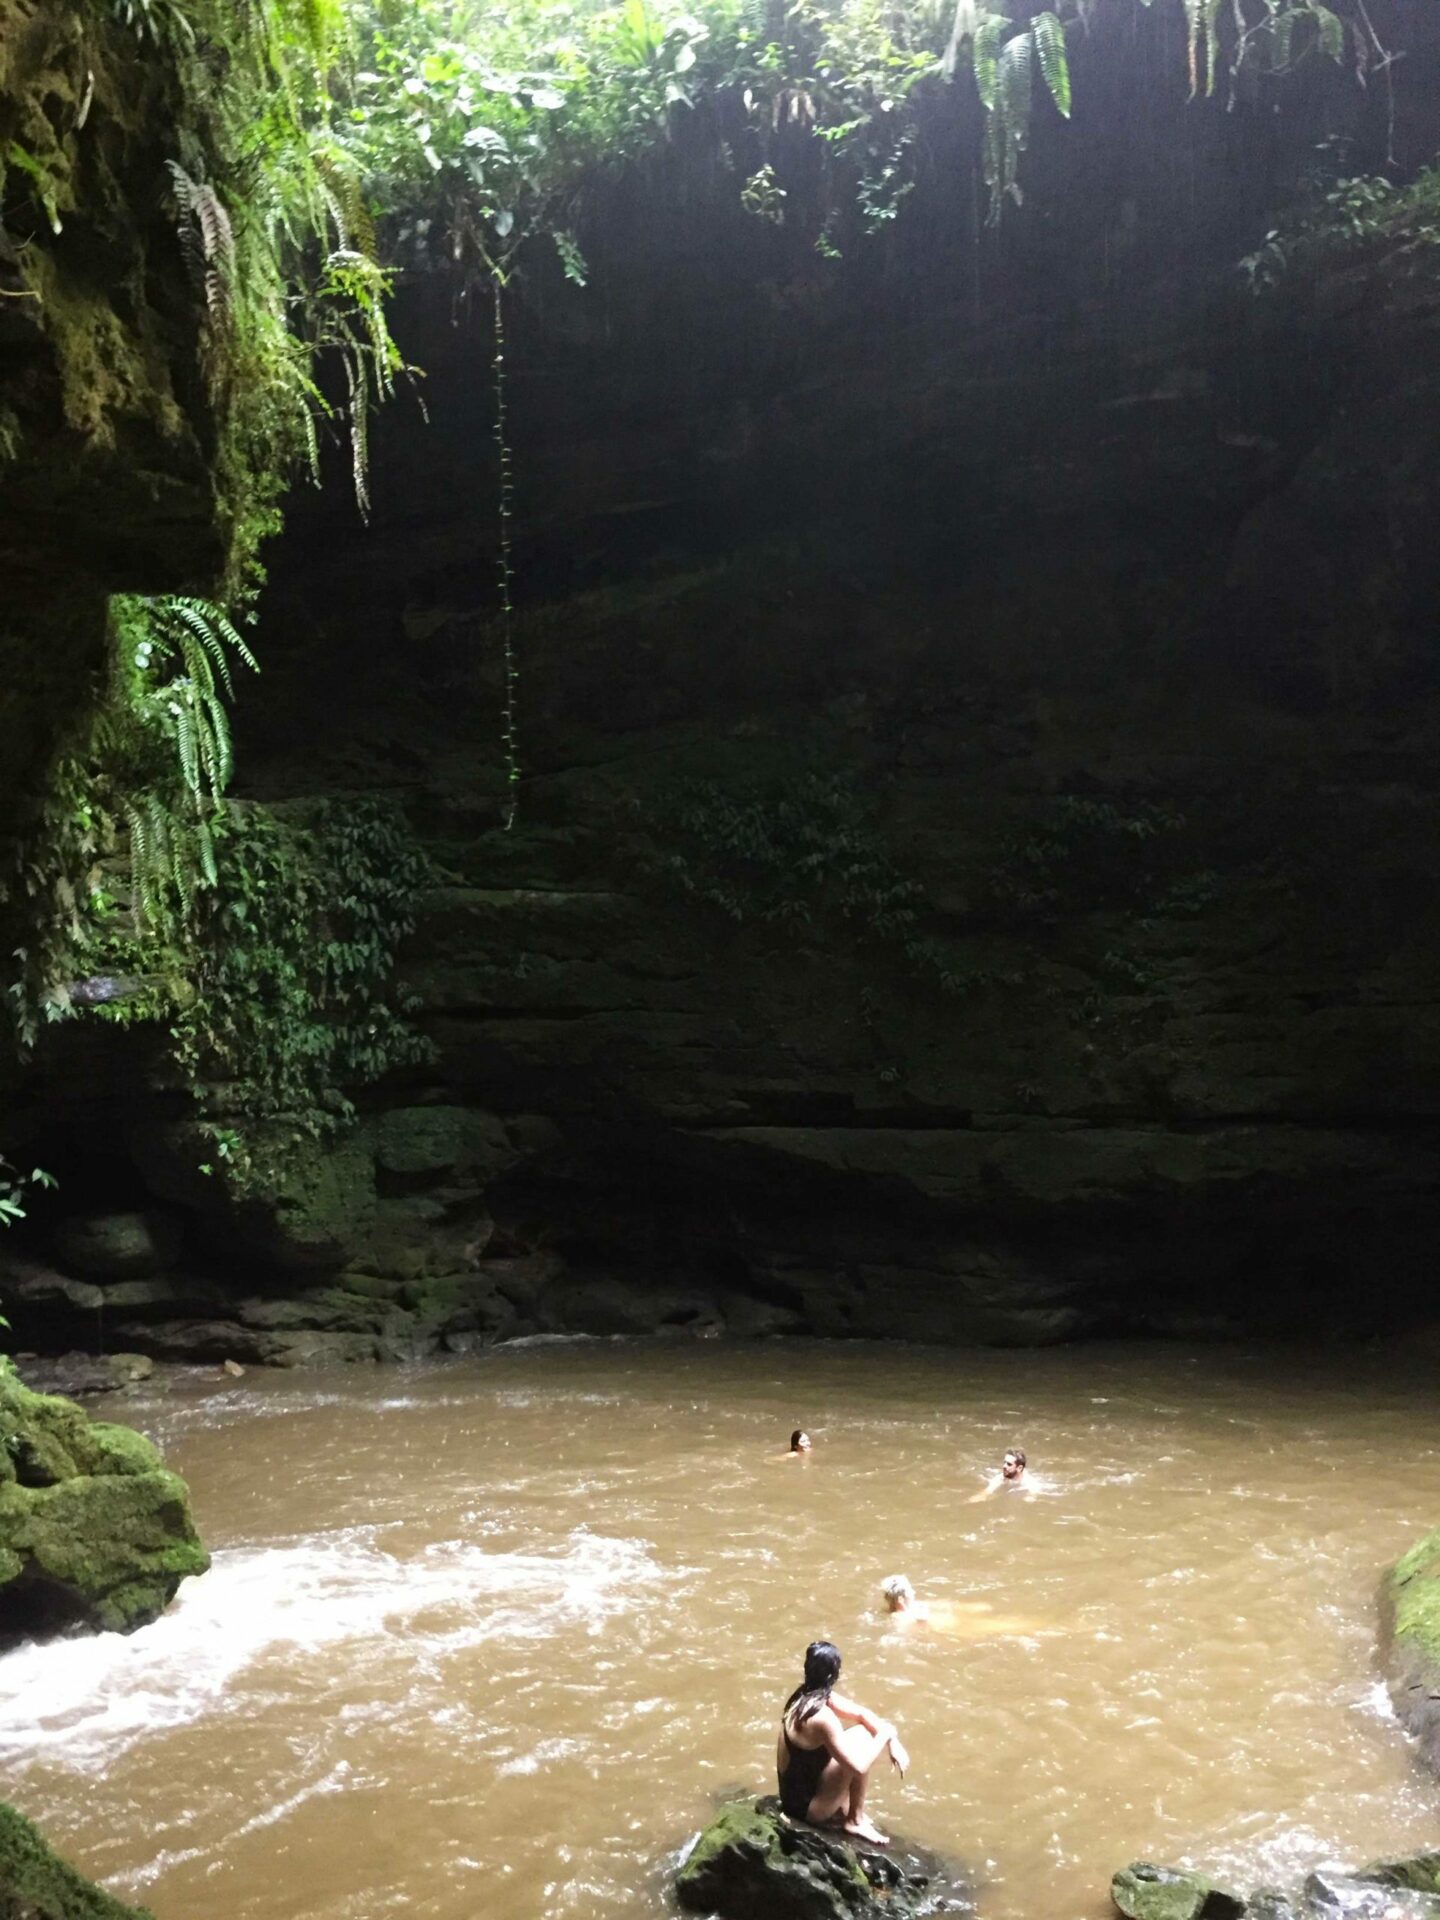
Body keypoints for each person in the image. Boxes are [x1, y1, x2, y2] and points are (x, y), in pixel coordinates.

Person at [776, 1639, 907, 1847]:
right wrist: (886, 1733)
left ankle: (846, 1808)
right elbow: (858, 1767)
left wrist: (894, 1742)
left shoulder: (803, 1696)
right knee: (863, 1741)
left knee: (861, 1732)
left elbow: (862, 1714)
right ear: (833, 1675)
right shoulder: (822, 1717)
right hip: (807, 1810)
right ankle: (855, 1820)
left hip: (793, 1798)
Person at [879, 1573, 1052, 1640]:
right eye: (911, 1592)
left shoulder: (911, 1608)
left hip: (957, 1621)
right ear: (901, 1600)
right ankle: (1055, 1626)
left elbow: (943, 1605)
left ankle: (1045, 1623)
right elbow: (921, 1626)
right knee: (1013, 1626)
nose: (914, 1593)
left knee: (1012, 1622)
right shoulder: (903, 1618)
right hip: (959, 1628)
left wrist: (968, 1608)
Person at [967, 1445, 1033, 1503]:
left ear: (1019, 1468)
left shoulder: (1029, 1482)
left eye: (1009, 1464)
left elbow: (1033, 1496)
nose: (1004, 1466)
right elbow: (986, 1492)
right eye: (1004, 1462)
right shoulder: (999, 1479)